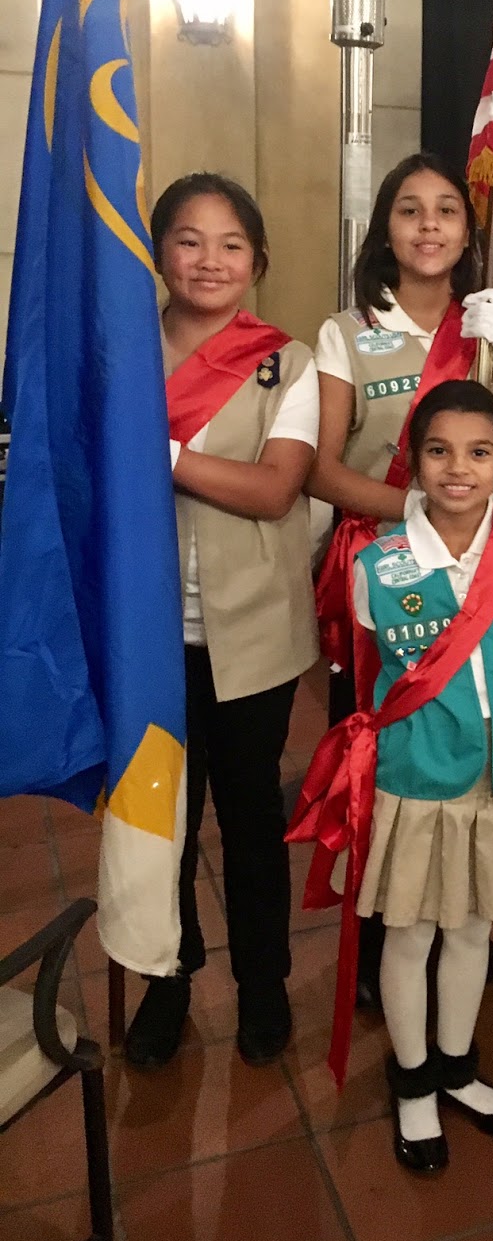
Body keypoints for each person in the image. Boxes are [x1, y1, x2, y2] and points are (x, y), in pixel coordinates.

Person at [293, 380, 493, 1172]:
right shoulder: (377, 565)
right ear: (412, 462)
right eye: (439, 451)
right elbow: (379, 682)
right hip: (414, 779)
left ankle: (456, 1066)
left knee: (474, 930)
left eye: (480, 453)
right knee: (409, 933)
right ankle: (412, 1078)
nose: (459, 469)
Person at [307, 152, 493, 1002]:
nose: (431, 225)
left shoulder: (487, 326)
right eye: (411, 210)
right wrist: (418, 508)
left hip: (478, 577)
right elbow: (323, 471)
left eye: (448, 210)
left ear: (469, 232)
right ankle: (380, 941)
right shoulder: (346, 331)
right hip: (385, 573)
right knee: (383, 759)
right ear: (386, 229)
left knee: (470, 748)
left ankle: (461, 926)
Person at [125, 173, 320, 1070]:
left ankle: (263, 983)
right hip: (146, 633)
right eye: (189, 239)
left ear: (258, 261)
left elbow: (275, 489)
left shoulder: (290, 361)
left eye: (231, 244)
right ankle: (166, 978)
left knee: (248, 819)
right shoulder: (121, 351)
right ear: (159, 249)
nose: (210, 260)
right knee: (158, 821)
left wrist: (155, 450)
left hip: (253, 637)